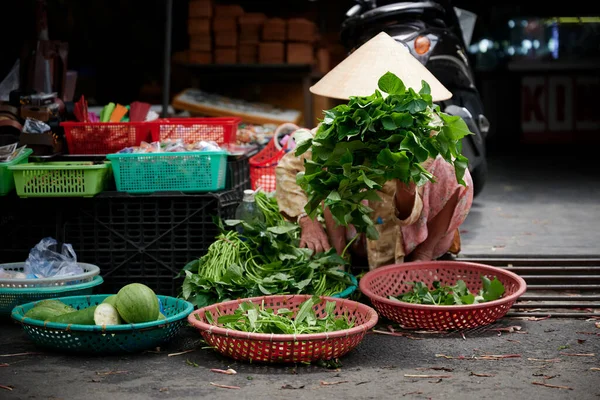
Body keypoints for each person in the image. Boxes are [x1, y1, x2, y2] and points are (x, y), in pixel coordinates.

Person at [274, 32, 474, 270]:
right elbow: (288, 168)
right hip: (359, 232)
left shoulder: (424, 131)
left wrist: (406, 190)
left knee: (451, 169)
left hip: (412, 232)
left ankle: (423, 255)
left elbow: (420, 206)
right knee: (328, 164)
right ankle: (340, 262)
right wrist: (308, 221)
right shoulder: (340, 127)